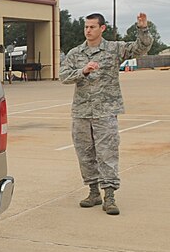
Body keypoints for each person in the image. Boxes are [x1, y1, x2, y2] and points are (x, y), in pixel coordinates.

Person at [59, 12, 152, 215]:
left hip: (106, 111)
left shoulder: (114, 49)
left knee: (107, 153)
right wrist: (82, 71)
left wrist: (143, 28)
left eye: (92, 27)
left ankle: (109, 196)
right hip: (82, 112)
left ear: (102, 28)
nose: (88, 30)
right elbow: (63, 76)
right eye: (86, 27)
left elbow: (141, 48)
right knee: (85, 153)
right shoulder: (75, 53)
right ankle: (93, 192)